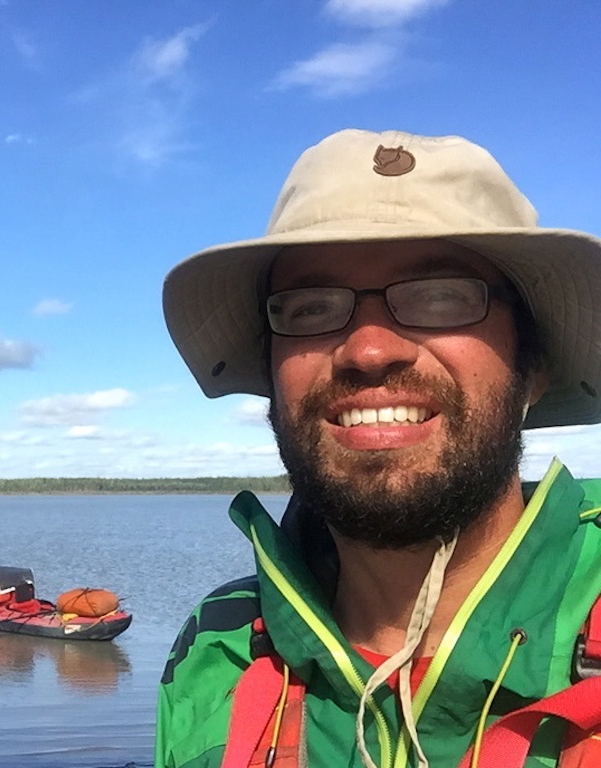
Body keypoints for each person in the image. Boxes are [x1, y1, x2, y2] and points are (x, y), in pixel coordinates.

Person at [156, 129, 601, 767]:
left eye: (443, 297)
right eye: (309, 308)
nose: (369, 350)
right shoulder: (218, 644)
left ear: (531, 366)